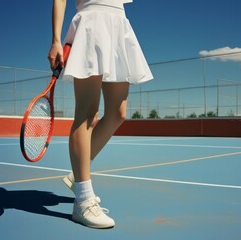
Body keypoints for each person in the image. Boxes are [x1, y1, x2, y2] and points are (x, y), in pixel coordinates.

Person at [47, 0, 153, 228]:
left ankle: (77, 176)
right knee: (86, 114)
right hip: (91, 22)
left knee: (118, 113)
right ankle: (83, 201)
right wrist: (56, 40)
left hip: (118, 24)